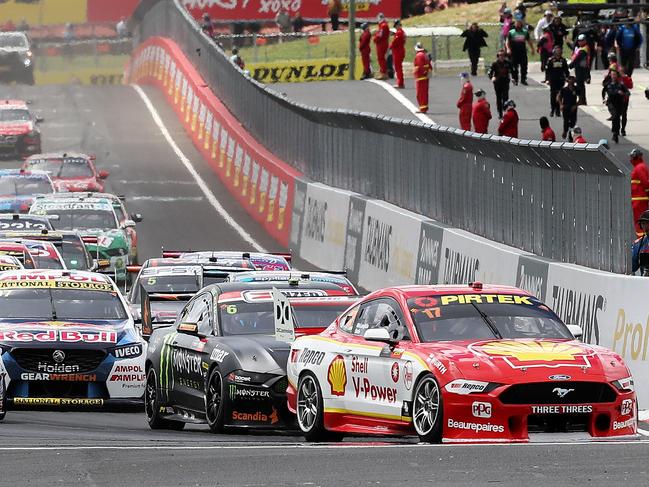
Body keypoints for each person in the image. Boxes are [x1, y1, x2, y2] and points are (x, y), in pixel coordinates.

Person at [602, 69, 630, 143]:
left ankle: (616, 132)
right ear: (610, 75)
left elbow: (627, 92)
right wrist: (604, 99)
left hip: (620, 103)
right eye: (612, 74)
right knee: (615, 115)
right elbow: (607, 92)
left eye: (615, 74)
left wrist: (624, 94)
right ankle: (615, 132)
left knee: (617, 117)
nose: (613, 76)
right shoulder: (608, 84)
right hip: (611, 103)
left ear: (617, 75)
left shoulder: (621, 84)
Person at [488, 49, 515, 119]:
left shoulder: (508, 63)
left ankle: (505, 111)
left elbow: (512, 71)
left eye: (503, 55)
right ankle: (500, 113)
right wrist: (492, 77)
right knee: (499, 98)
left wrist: (513, 78)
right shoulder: (494, 63)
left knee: (505, 98)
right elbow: (490, 72)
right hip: (497, 83)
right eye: (500, 55)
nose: (501, 57)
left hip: (505, 82)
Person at [506, 18, 534, 85]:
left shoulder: (525, 32)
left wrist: (532, 49)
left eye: (519, 23)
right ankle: (515, 79)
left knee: (524, 67)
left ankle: (523, 80)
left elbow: (529, 41)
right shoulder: (511, 32)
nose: (518, 25)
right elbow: (507, 42)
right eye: (517, 23)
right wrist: (508, 49)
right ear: (515, 24)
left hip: (522, 52)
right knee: (514, 67)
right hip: (514, 52)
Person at [545, 46, 569, 117]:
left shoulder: (563, 60)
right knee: (553, 95)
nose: (558, 52)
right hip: (553, 80)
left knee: (560, 95)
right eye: (557, 51)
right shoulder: (551, 60)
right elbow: (547, 71)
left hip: (561, 80)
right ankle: (552, 109)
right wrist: (547, 79)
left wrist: (567, 78)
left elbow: (566, 70)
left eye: (559, 51)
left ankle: (558, 111)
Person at [630, 149, 649, 237]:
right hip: (639, 200)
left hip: (639, 200)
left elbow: (645, 183)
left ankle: (641, 241)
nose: (630, 159)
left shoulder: (639, 167)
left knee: (640, 222)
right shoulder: (640, 166)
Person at [569, 34, 590, 105]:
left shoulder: (584, 49)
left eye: (582, 40)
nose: (580, 42)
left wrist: (570, 65)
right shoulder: (580, 48)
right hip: (579, 68)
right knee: (579, 84)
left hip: (582, 68)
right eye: (579, 41)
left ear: (585, 41)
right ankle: (582, 99)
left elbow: (578, 59)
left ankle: (582, 100)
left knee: (580, 85)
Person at [558, 75, 579, 139]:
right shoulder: (564, 89)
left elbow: (581, 98)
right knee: (566, 121)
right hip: (565, 107)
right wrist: (561, 105)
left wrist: (576, 105)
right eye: (570, 80)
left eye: (573, 80)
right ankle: (565, 131)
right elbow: (559, 97)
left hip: (573, 107)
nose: (572, 81)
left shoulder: (576, 89)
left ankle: (571, 134)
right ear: (568, 81)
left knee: (573, 122)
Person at [413, 43, 432, 113]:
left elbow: (420, 65)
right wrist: (428, 72)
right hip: (424, 76)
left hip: (421, 76)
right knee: (424, 92)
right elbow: (429, 65)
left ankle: (422, 108)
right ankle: (424, 107)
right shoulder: (425, 54)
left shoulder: (419, 55)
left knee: (420, 93)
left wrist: (424, 72)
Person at [390, 20, 406, 88]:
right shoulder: (402, 32)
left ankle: (400, 83)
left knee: (398, 68)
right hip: (400, 50)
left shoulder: (399, 33)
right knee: (398, 67)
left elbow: (394, 42)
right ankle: (400, 82)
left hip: (398, 52)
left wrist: (390, 47)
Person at [374, 13, 390, 80]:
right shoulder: (383, 25)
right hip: (382, 43)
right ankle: (382, 72)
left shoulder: (383, 25)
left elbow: (380, 35)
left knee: (381, 58)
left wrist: (375, 39)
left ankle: (384, 73)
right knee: (381, 58)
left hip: (381, 43)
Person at [620, 67, 633, 137]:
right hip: (617, 99)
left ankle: (623, 129)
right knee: (617, 114)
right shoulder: (617, 78)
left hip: (624, 98)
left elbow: (631, 86)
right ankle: (618, 127)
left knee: (624, 114)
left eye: (621, 71)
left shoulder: (627, 78)